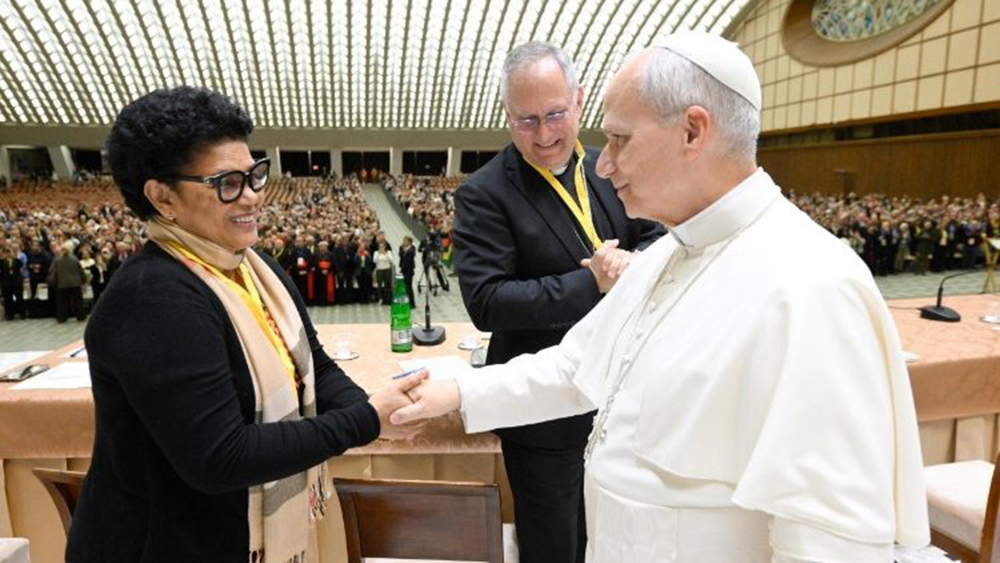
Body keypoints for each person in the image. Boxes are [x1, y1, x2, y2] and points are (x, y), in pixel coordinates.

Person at [393, 32, 928, 561]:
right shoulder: (671, 252)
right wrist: (458, 392)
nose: (602, 164)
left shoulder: (813, 287)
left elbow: (826, 544)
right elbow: (578, 367)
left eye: (621, 140)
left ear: (693, 132)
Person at [67, 86, 426, 562]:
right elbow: (222, 456)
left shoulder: (255, 268)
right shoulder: (153, 299)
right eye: (227, 184)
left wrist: (378, 412)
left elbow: (313, 368)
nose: (253, 196)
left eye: (254, 176)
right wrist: (364, 421)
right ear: (162, 197)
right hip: (164, 544)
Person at [450, 42, 663, 563]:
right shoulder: (484, 193)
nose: (544, 135)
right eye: (526, 121)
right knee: (553, 546)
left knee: (612, 537)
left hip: (623, 397)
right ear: (506, 117)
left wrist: (635, 264)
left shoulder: (612, 166)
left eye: (554, 115)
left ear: (579, 101)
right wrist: (592, 282)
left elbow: (660, 233)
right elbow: (488, 301)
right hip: (542, 414)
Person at [51, 240, 87, 323]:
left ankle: (61, 318)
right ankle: (80, 317)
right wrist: (84, 279)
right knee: (77, 301)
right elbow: (80, 270)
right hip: (75, 283)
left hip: (62, 284)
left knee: (62, 302)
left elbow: (54, 271)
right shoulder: (74, 259)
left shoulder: (57, 260)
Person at [398, 235, 417, 307]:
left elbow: (408, 261)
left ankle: (412, 303)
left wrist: (403, 269)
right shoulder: (402, 249)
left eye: (405, 241)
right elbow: (400, 255)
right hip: (403, 269)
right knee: (404, 286)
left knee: (409, 286)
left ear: (409, 242)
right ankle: (405, 301)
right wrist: (402, 249)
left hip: (409, 270)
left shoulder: (411, 250)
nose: (403, 242)